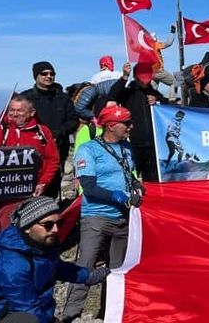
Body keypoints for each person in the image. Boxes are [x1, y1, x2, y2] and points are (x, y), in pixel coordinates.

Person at [61, 105, 144, 322]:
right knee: (85, 266)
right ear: (110, 126)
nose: (131, 127)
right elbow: (88, 187)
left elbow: (128, 173)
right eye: (126, 123)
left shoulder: (126, 147)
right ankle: (71, 314)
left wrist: (135, 184)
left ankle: (109, 313)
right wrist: (117, 196)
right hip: (96, 218)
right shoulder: (88, 149)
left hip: (122, 219)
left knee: (117, 270)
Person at [0, 197, 109, 323]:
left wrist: (90, 276)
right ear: (27, 227)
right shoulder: (12, 264)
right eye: (48, 225)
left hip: (40, 312)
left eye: (59, 223)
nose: (55, 230)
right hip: (6, 317)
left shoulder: (41, 247)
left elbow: (57, 268)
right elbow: (26, 309)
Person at [0, 96, 59, 232]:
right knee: (5, 232)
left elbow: (52, 160)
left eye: (19, 110)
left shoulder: (42, 132)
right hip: (5, 196)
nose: (14, 114)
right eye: (11, 110)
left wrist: (43, 183)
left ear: (32, 113)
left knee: (34, 232)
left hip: (35, 193)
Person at [21, 61, 77, 198]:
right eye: (44, 73)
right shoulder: (25, 98)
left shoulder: (63, 99)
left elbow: (74, 120)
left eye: (52, 73)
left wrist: (59, 132)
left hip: (57, 149)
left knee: (52, 185)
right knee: (29, 187)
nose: (49, 76)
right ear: (36, 76)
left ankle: (49, 215)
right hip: (30, 151)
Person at [108, 62, 166, 182]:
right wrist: (124, 77)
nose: (145, 81)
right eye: (142, 78)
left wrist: (158, 101)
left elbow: (167, 108)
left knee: (153, 179)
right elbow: (113, 95)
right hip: (133, 143)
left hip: (153, 144)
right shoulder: (129, 92)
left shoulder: (155, 93)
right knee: (131, 177)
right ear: (136, 77)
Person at [150, 25, 178, 102]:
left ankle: (149, 103)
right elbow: (168, 43)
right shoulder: (155, 45)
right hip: (159, 71)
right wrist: (172, 31)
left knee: (152, 89)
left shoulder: (146, 47)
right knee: (176, 81)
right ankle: (172, 100)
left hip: (150, 73)